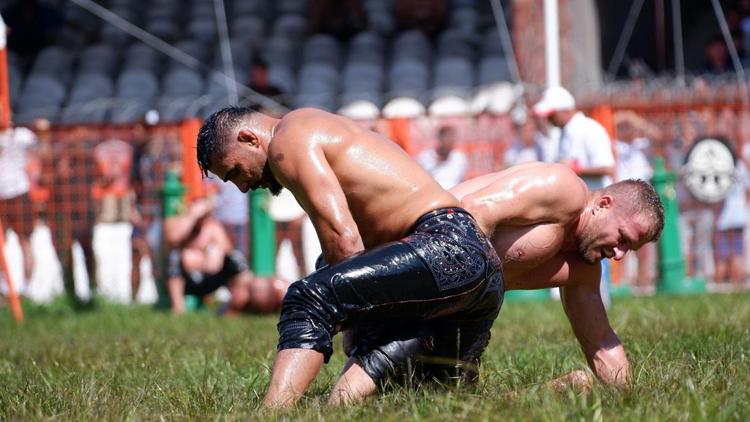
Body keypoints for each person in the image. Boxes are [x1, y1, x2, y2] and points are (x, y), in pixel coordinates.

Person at [195, 106, 503, 408]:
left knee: (309, 295)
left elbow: (344, 241)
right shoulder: (313, 125)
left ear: (249, 138)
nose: (243, 186)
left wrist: (351, 323)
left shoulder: (287, 139)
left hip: (446, 247)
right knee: (438, 398)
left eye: (235, 172)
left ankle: (274, 413)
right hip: (477, 269)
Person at [331, 162, 664, 404]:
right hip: (395, 261)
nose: (619, 255)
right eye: (622, 238)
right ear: (604, 204)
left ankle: (567, 385)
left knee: (451, 403)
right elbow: (467, 215)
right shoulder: (565, 190)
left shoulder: (580, 268)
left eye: (629, 249)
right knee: (386, 363)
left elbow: (599, 339)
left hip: (444, 306)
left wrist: (629, 401)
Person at [534, 85, 616, 304]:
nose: (549, 120)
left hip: (595, 205)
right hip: (577, 206)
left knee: (595, 253)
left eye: (551, 115)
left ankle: (600, 300)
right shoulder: (564, 133)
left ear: (563, 110)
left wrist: (575, 169)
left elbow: (607, 167)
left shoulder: (589, 129)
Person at [163, 198, 288, 315]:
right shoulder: (177, 222)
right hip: (188, 280)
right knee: (174, 258)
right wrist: (192, 216)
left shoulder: (211, 227)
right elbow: (173, 239)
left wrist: (213, 252)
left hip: (211, 276)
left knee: (235, 259)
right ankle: (178, 308)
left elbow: (227, 250)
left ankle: (241, 303)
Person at [614, 112, 655, 291]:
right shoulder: (616, 146)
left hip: (642, 200)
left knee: (642, 242)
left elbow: (659, 136)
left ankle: (643, 280)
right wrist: (620, 120)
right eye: (624, 127)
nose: (627, 130)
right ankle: (623, 282)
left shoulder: (642, 145)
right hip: (622, 199)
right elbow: (608, 129)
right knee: (619, 241)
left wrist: (636, 120)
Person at [0, 124, 38, 286]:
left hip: (19, 193)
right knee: (2, 242)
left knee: (25, 241)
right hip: (1, 196)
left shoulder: (23, 135)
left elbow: (39, 149)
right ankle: (4, 288)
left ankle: (26, 288)